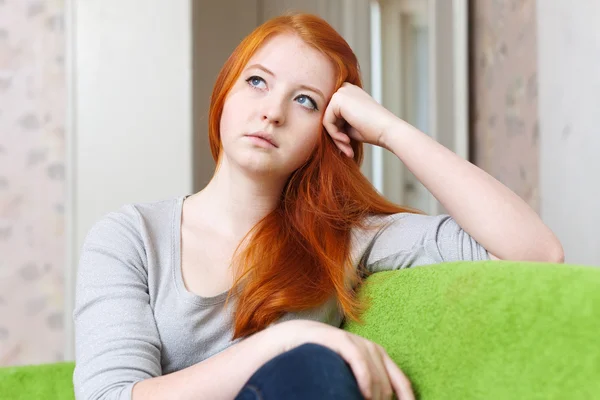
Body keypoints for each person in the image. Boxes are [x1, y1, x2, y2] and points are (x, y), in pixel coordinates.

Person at [72, 12, 564, 400]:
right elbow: (109, 395)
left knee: (314, 368)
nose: (273, 111)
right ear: (224, 92)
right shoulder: (131, 236)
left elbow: (537, 252)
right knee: (312, 359)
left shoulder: (344, 238)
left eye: (306, 100)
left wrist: (390, 129)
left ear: (327, 135)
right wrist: (283, 342)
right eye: (258, 82)